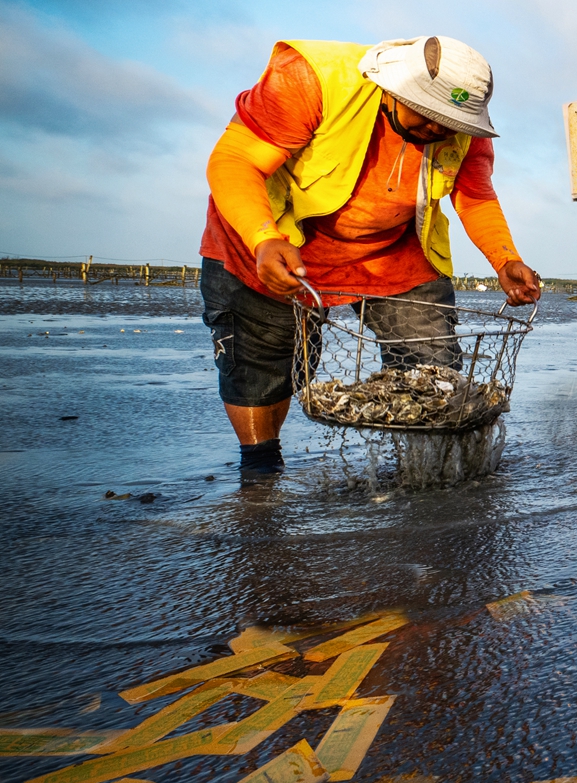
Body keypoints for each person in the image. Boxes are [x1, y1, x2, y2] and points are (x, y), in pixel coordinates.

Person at [200, 36, 542, 474]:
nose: (441, 129)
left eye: (453, 120)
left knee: (434, 375)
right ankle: (261, 473)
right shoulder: (314, 78)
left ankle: (430, 483)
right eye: (431, 114)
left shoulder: (463, 129)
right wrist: (262, 236)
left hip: (390, 255)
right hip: (275, 244)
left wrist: (504, 258)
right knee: (260, 366)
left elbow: (475, 194)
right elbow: (233, 161)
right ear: (395, 89)